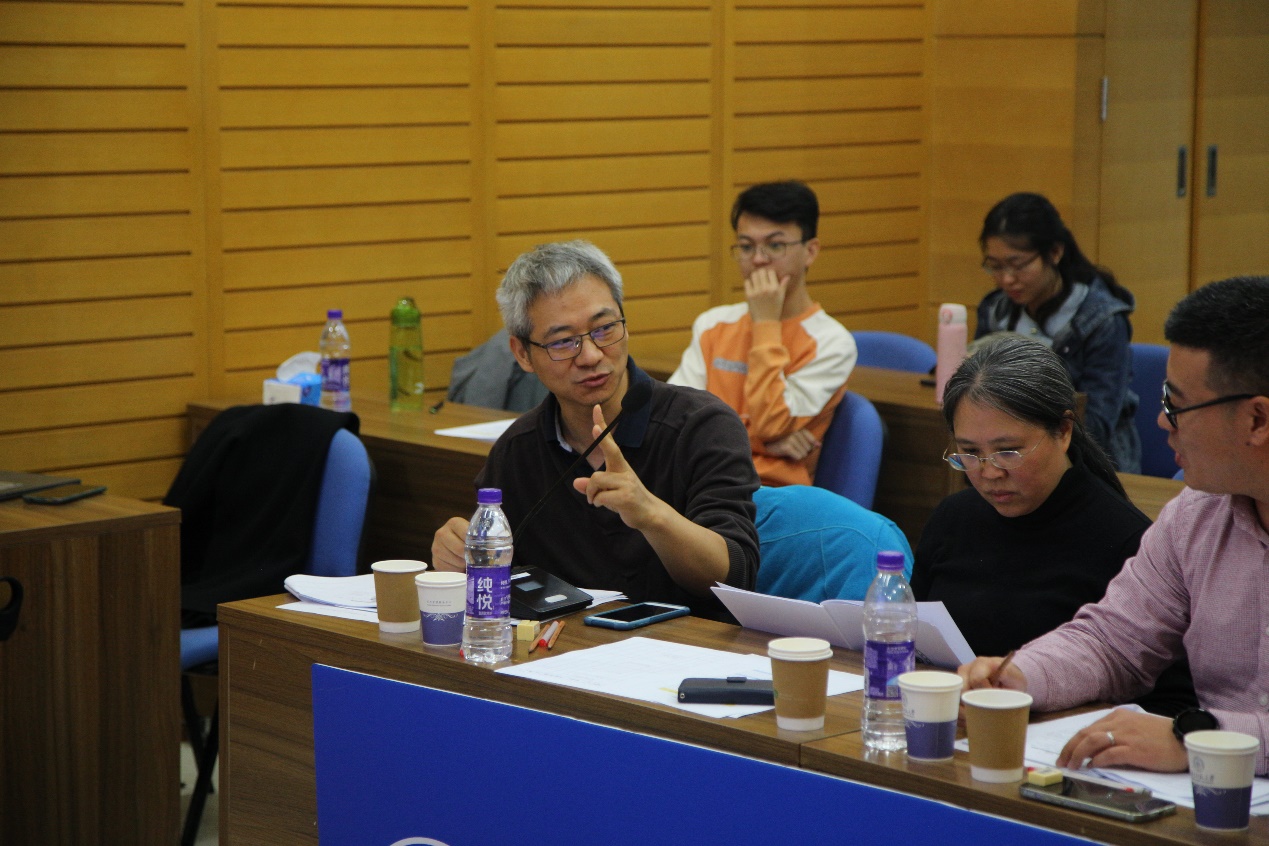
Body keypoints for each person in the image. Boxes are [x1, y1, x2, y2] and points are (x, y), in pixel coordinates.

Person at [960, 276, 1269, 777]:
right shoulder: (1196, 516)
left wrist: (1199, 739)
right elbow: (1113, 641)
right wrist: (1019, 676)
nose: (1162, 422)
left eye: (1177, 405)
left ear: (1257, 420)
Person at [430, 240, 760, 619]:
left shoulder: (702, 426)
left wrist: (651, 515)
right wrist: (459, 553)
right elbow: (498, 573)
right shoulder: (517, 450)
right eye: (563, 342)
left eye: (604, 329)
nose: (590, 356)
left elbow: (734, 577)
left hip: (687, 646)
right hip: (562, 647)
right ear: (522, 354)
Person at [913, 336, 1194, 715]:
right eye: (971, 453)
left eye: (1008, 451)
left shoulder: (1128, 543)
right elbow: (910, 639)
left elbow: (1173, 702)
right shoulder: (953, 517)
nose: (989, 473)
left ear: (1063, 431)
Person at [669, 180, 856, 487]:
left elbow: (771, 423)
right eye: (746, 246)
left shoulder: (832, 343)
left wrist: (766, 323)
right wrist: (763, 444)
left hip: (772, 493)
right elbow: (674, 422)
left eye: (775, 245)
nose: (758, 259)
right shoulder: (713, 324)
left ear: (810, 251)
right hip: (701, 481)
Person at [975, 192, 1141, 473]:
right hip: (1003, 456)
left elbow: (1096, 426)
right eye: (996, 266)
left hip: (1088, 467)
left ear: (1054, 252)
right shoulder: (995, 310)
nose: (1006, 279)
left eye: (1018, 265)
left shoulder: (1102, 321)